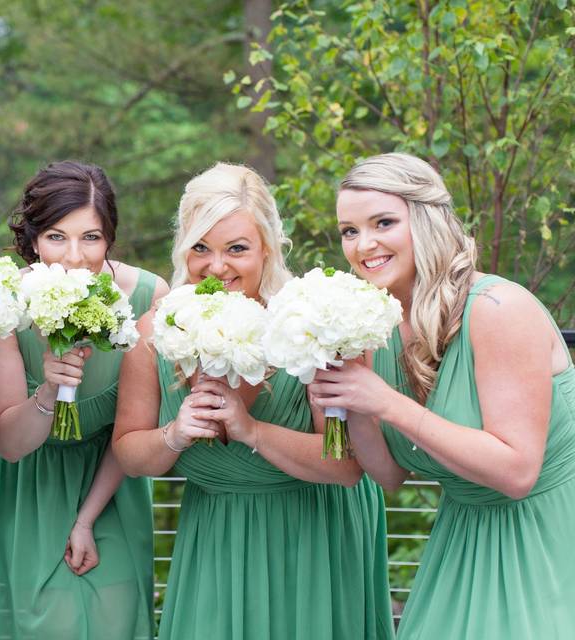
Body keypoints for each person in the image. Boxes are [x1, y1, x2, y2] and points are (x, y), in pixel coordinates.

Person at [113, 162, 394, 639]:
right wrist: (174, 434)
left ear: (267, 247)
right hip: (216, 536)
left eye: (236, 249)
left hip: (315, 537)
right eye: (201, 247)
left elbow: (346, 466)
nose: (216, 266)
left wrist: (253, 431)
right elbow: (129, 453)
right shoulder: (156, 329)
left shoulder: (315, 323)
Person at [309, 152, 575, 639]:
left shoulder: (497, 309)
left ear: (426, 219)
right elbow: (389, 475)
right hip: (461, 540)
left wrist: (388, 402)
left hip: (547, 541)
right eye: (349, 230)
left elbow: (516, 473)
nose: (363, 245)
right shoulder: (375, 324)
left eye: (383, 222)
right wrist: (345, 399)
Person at [0, 161, 167, 639]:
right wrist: (49, 387)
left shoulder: (150, 296)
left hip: (110, 485)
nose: (74, 257)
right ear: (31, 238)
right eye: (55, 237)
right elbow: (9, 442)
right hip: (15, 485)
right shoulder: (2, 298)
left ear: (110, 237)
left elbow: (130, 430)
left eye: (91, 238)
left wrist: (86, 518)